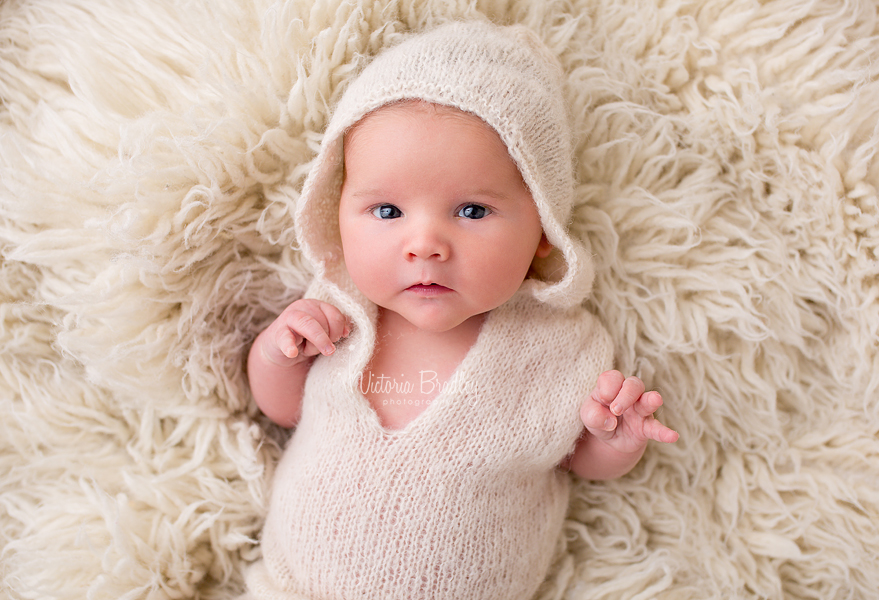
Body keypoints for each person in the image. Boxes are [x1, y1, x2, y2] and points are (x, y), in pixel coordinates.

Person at [244, 20, 678, 600]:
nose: (424, 244)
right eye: (387, 211)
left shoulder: (558, 345)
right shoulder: (335, 311)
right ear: (338, 208)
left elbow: (579, 461)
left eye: (472, 212)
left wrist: (615, 442)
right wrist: (277, 352)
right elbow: (282, 410)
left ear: (543, 228)